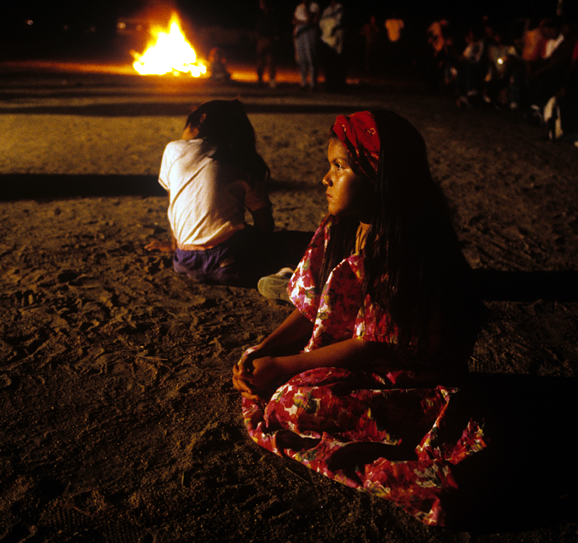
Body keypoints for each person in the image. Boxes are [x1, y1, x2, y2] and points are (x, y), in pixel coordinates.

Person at [232, 110, 487, 526]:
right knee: (277, 385)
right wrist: (264, 349)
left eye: (339, 167)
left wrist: (283, 367)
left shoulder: (404, 250)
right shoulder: (338, 228)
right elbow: (309, 304)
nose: (325, 178)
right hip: (348, 360)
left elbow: (371, 345)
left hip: (402, 375)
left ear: (378, 176)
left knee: (293, 403)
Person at [146, 100, 274, 286]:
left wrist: (176, 246)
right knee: (292, 242)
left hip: (184, 261)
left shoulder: (174, 149)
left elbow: (174, 202)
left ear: (202, 120)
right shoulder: (243, 160)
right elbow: (265, 225)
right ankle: (281, 274)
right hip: (229, 262)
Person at [293, 0, 321, 90]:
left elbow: (310, 20)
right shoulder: (299, 7)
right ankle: (303, 83)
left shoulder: (314, 6)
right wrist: (302, 22)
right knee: (301, 59)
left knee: (311, 57)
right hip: (299, 33)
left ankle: (313, 84)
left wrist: (300, 21)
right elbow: (294, 20)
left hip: (309, 32)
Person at [319, 0, 345, 91]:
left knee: (337, 60)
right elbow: (321, 22)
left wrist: (330, 26)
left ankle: (338, 85)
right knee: (328, 61)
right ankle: (329, 84)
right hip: (327, 37)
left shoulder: (339, 7)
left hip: (337, 36)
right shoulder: (327, 9)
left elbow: (338, 22)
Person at [255, 0, 279, 88]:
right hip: (261, 39)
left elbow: (275, 27)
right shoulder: (260, 15)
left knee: (270, 60)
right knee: (260, 60)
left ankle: (271, 79)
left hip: (269, 38)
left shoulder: (271, 15)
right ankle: (260, 78)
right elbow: (258, 27)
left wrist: (274, 37)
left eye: (262, 3)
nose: (260, 5)